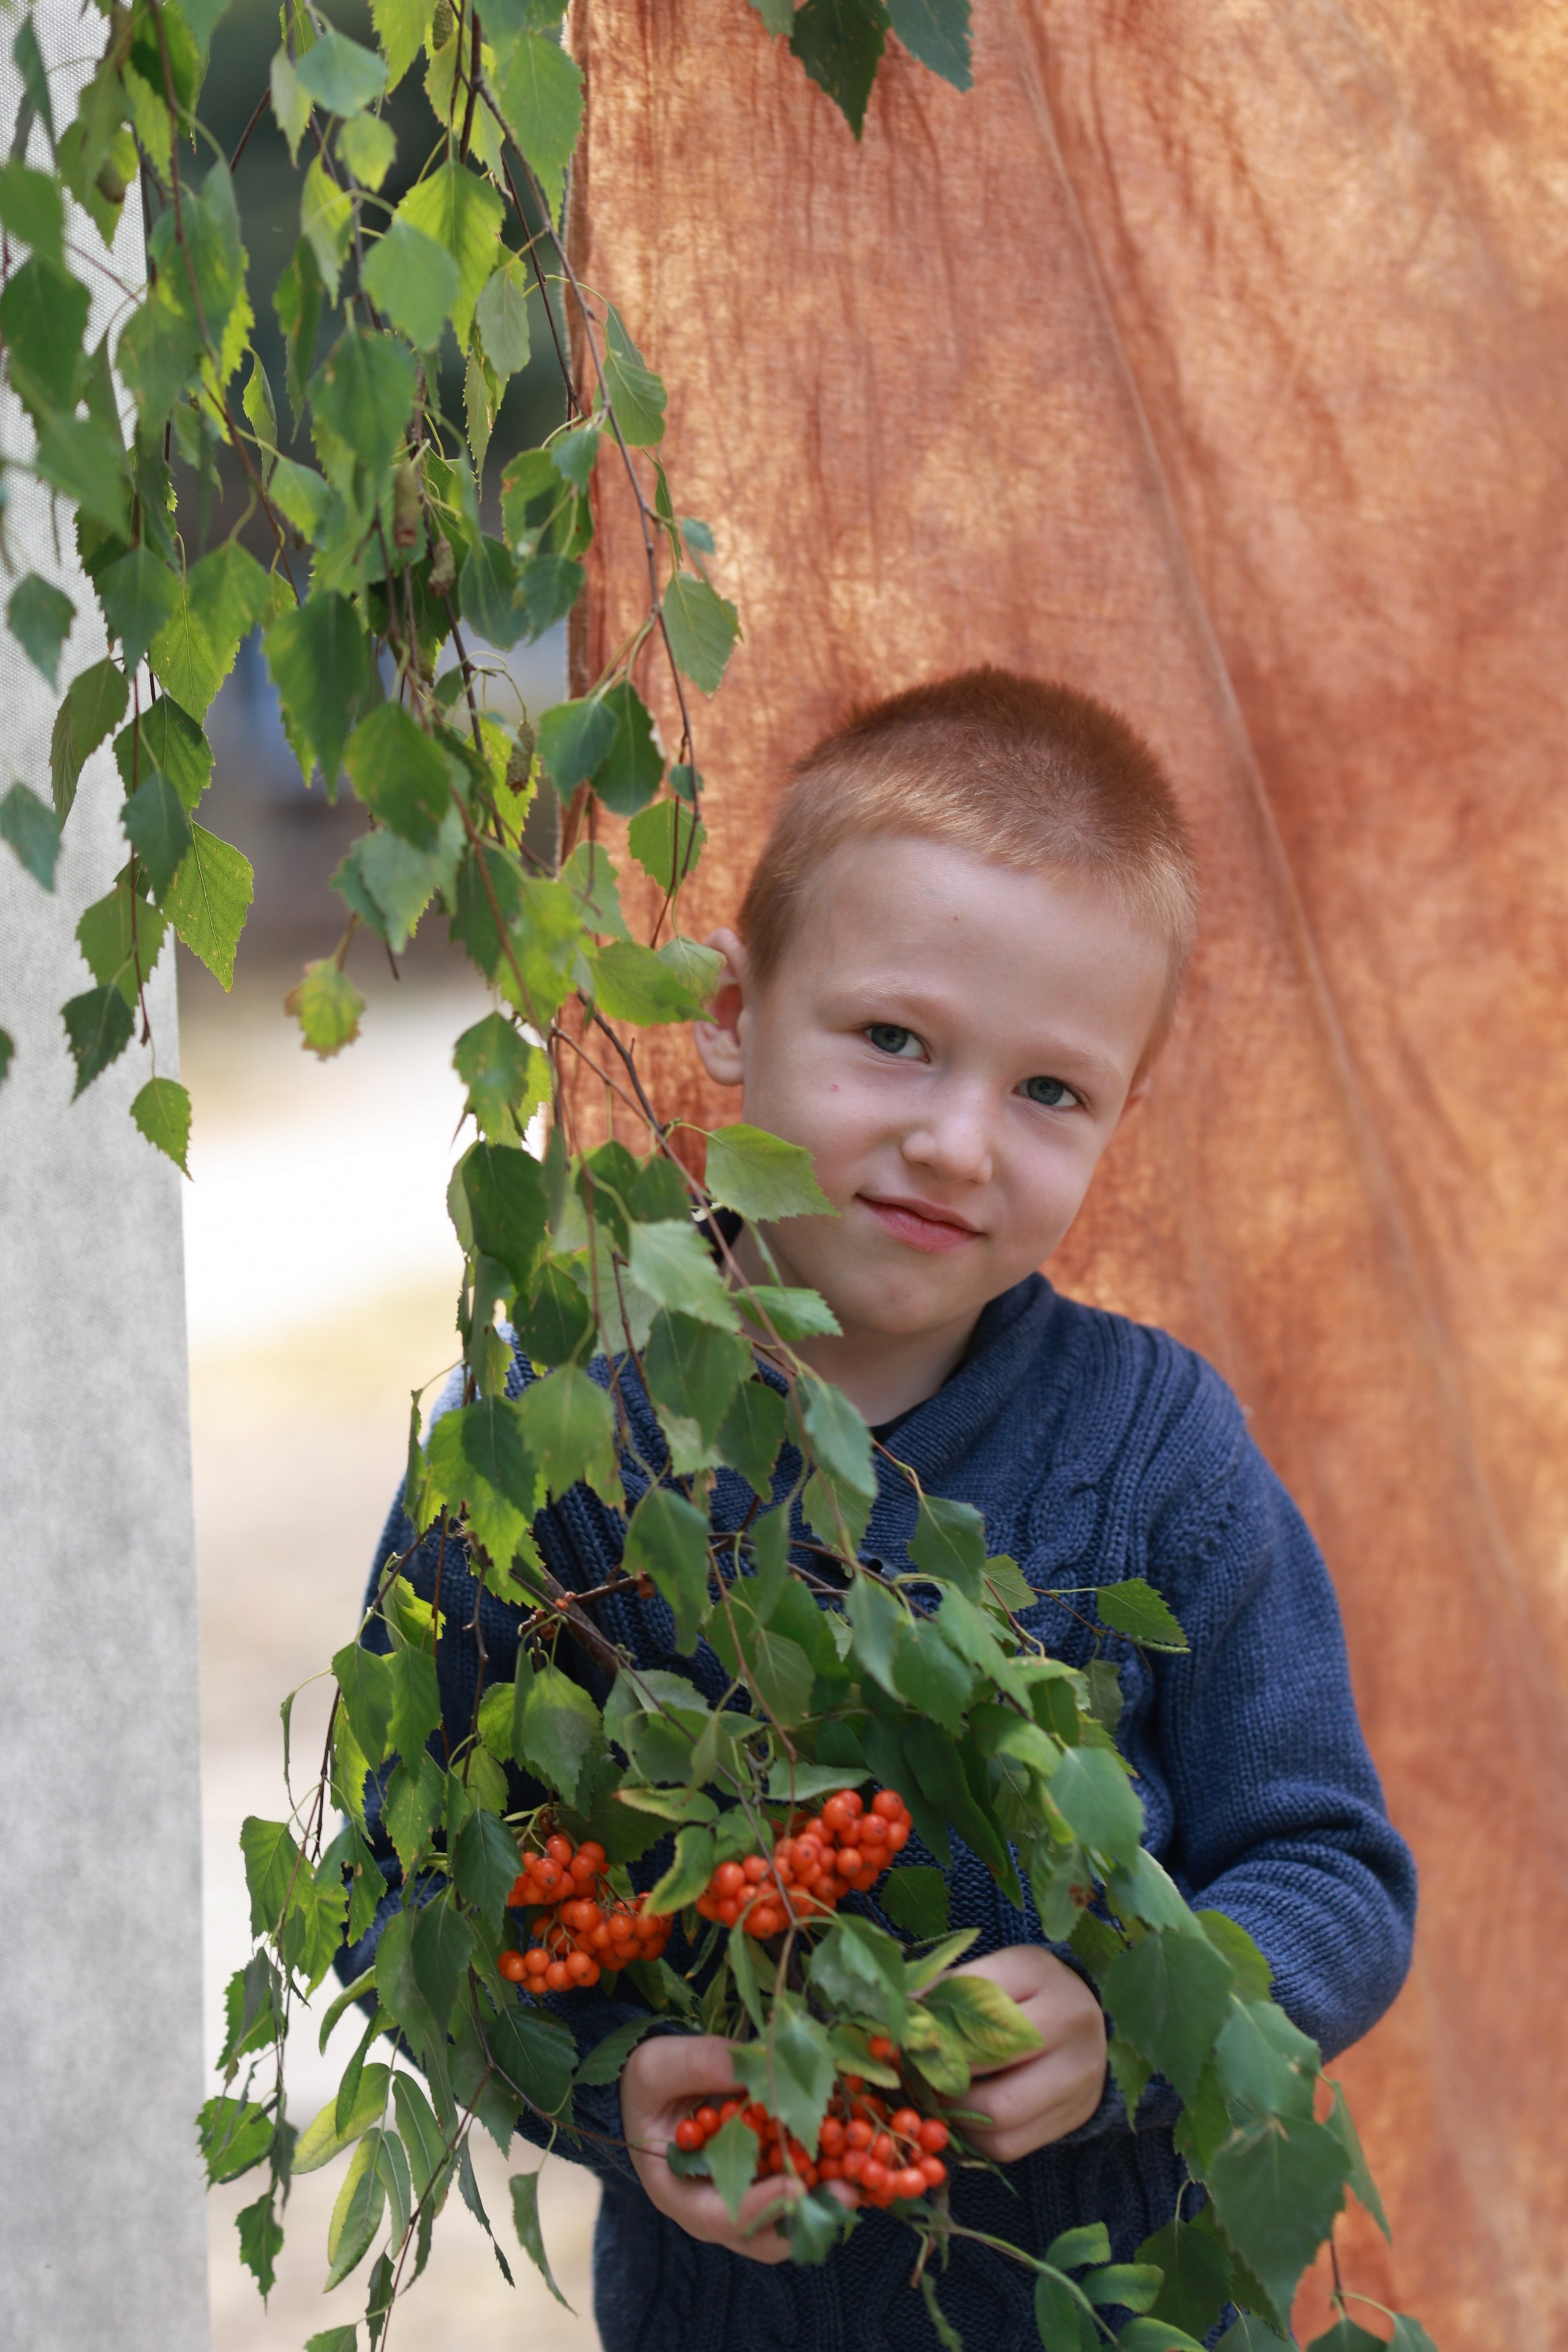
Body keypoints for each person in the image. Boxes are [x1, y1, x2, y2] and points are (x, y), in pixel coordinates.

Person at [345, 669, 1417, 2351]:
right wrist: (613, 2087)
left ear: (1125, 1117)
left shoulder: (1157, 1453)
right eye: (894, 1040)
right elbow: (396, 1885)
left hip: (1121, 2306)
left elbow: (1331, 1870)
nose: (956, 1142)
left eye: (1049, 1092)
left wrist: (1140, 2015)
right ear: (728, 1010)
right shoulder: (553, 1451)